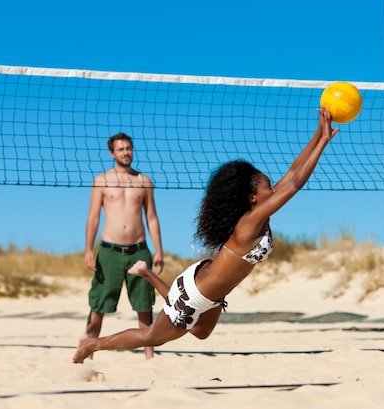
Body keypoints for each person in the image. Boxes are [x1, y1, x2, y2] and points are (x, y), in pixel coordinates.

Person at [73, 108, 338, 363]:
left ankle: (149, 275)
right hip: (197, 293)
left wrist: (318, 134)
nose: (274, 188)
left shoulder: (257, 213)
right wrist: (324, 142)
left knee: (201, 332)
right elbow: (295, 184)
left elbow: (292, 173)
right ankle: (92, 344)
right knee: (152, 336)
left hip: (208, 290)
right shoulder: (249, 222)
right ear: (252, 197)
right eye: (269, 186)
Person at [82, 132, 164, 360]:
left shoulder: (144, 181)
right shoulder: (101, 180)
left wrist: (159, 250)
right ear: (112, 153)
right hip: (109, 251)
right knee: (99, 304)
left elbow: (152, 218)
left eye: (128, 148)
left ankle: (150, 357)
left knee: (144, 305)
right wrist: (89, 249)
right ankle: (88, 349)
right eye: (121, 149)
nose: (125, 153)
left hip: (139, 249)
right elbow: (93, 218)